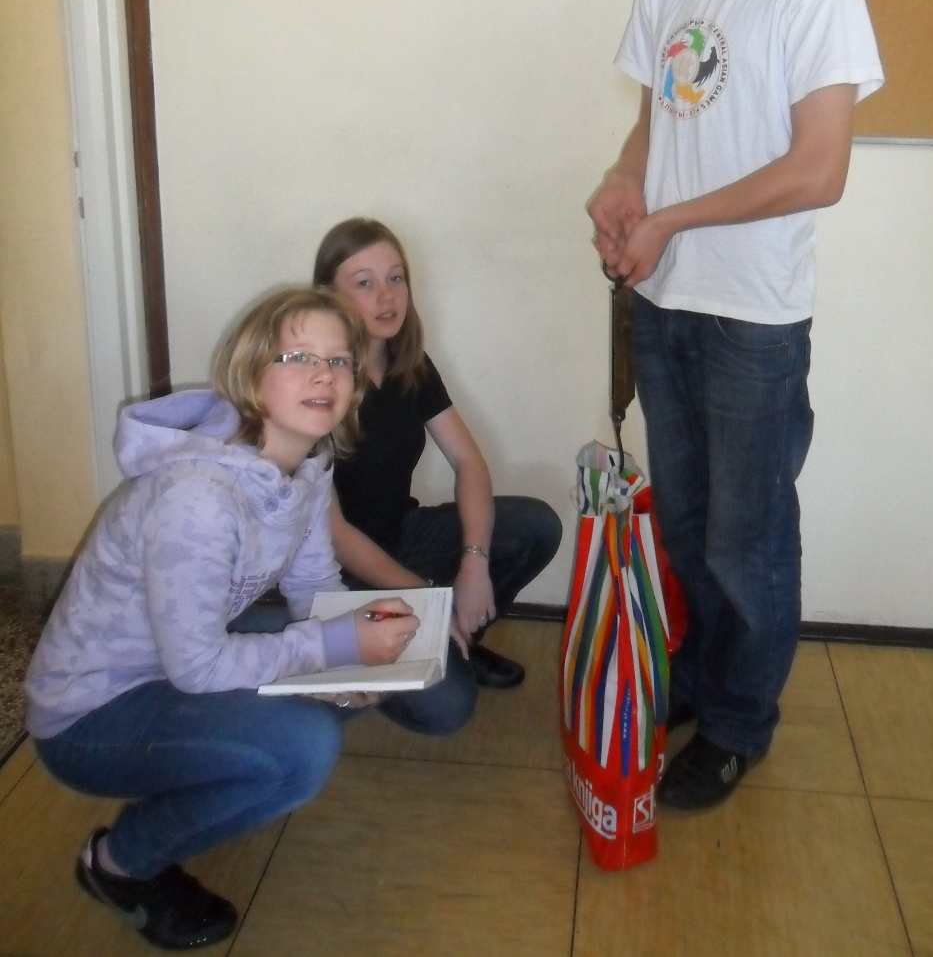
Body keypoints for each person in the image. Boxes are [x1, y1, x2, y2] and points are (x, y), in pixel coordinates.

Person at [588, 0, 885, 811]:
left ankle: (737, 722)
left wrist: (670, 218)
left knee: (743, 539)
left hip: (752, 317)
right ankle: (704, 680)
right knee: (684, 524)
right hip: (662, 302)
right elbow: (655, 125)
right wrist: (624, 186)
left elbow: (819, 169)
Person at [24, 286, 473, 951]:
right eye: (298, 357)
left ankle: (222, 769)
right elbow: (198, 667)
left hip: (174, 668)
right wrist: (329, 647)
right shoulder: (198, 499)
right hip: (91, 715)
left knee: (363, 672)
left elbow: (312, 584)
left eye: (339, 361)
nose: (323, 374)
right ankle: (118, 864)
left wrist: (345, 661)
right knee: (303, 749)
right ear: (250, 375)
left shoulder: (308, 464)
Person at [313, 217, 563, 690]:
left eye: (396, 278)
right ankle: (430, 642)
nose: (386, 296)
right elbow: (336, 534)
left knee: (536, 526)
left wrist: (474, 563)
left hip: (403, 537)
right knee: (448, 709)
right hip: (340, 574)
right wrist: (426, 597)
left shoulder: (409, 364)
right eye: (364, 283)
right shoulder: (319, 380)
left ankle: (453, 639)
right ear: (328, 295)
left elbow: (469, 462)